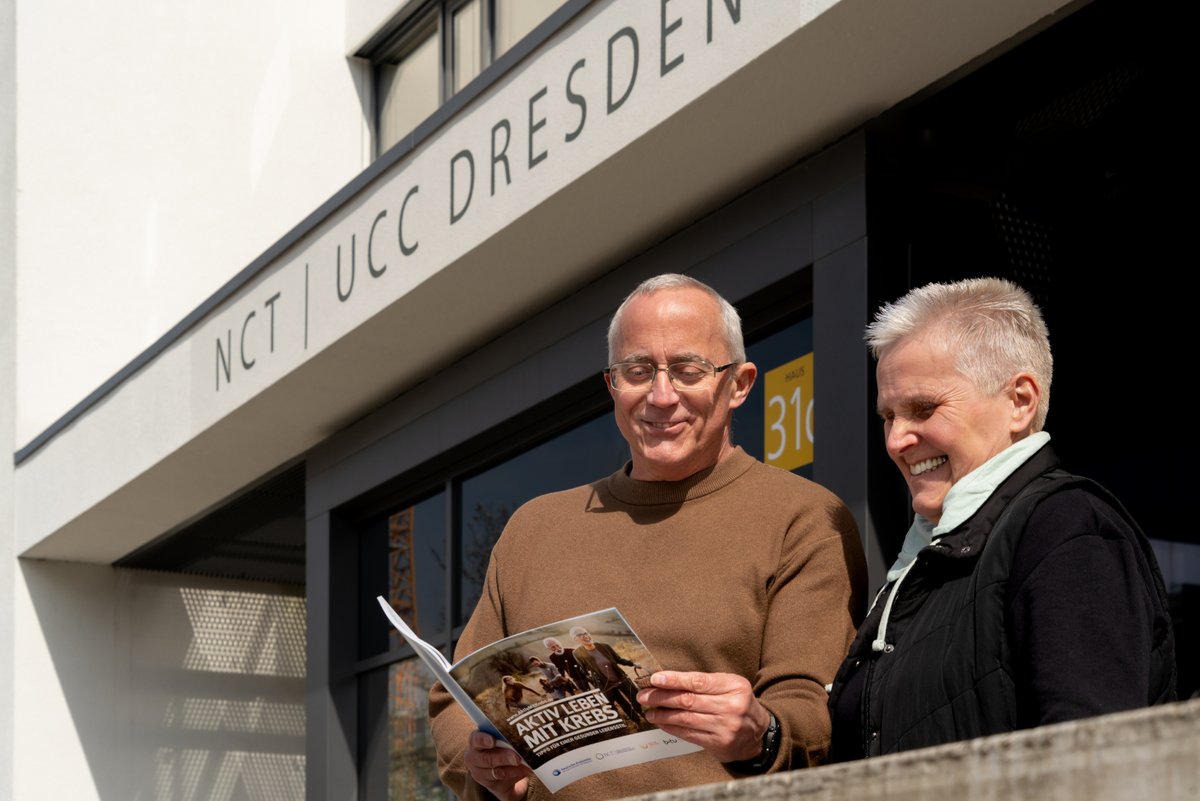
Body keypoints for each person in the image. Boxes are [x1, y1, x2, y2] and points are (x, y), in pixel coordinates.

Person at [429, 273, 867, 801]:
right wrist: (479, 763)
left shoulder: (803, 518)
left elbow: (817, 710)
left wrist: (760, 732)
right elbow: (454, 699)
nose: (661, 397)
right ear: (612, 385)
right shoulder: (534, 530)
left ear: (741, 384)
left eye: (688, 370)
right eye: (638, 371)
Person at [827, 277, 1176, 761]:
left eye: (923, 408)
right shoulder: (933, 559)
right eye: (888, 416)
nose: (895, 440)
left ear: (1020, 402)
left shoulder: (1065, 527)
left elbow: (1092, 766)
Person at [568, 626, 647, 725]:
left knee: (634, 696)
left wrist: (632, 663)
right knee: (622, 703)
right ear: (575, 639)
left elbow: (618, 659)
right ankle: (637, 721)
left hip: (620, 678)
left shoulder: (604, 646)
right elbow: (583, 669)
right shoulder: (577, 653)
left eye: (585, 633)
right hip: (605, 684)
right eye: (580, 635)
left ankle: (640, 711)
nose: (585, 636)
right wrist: (584, 672)